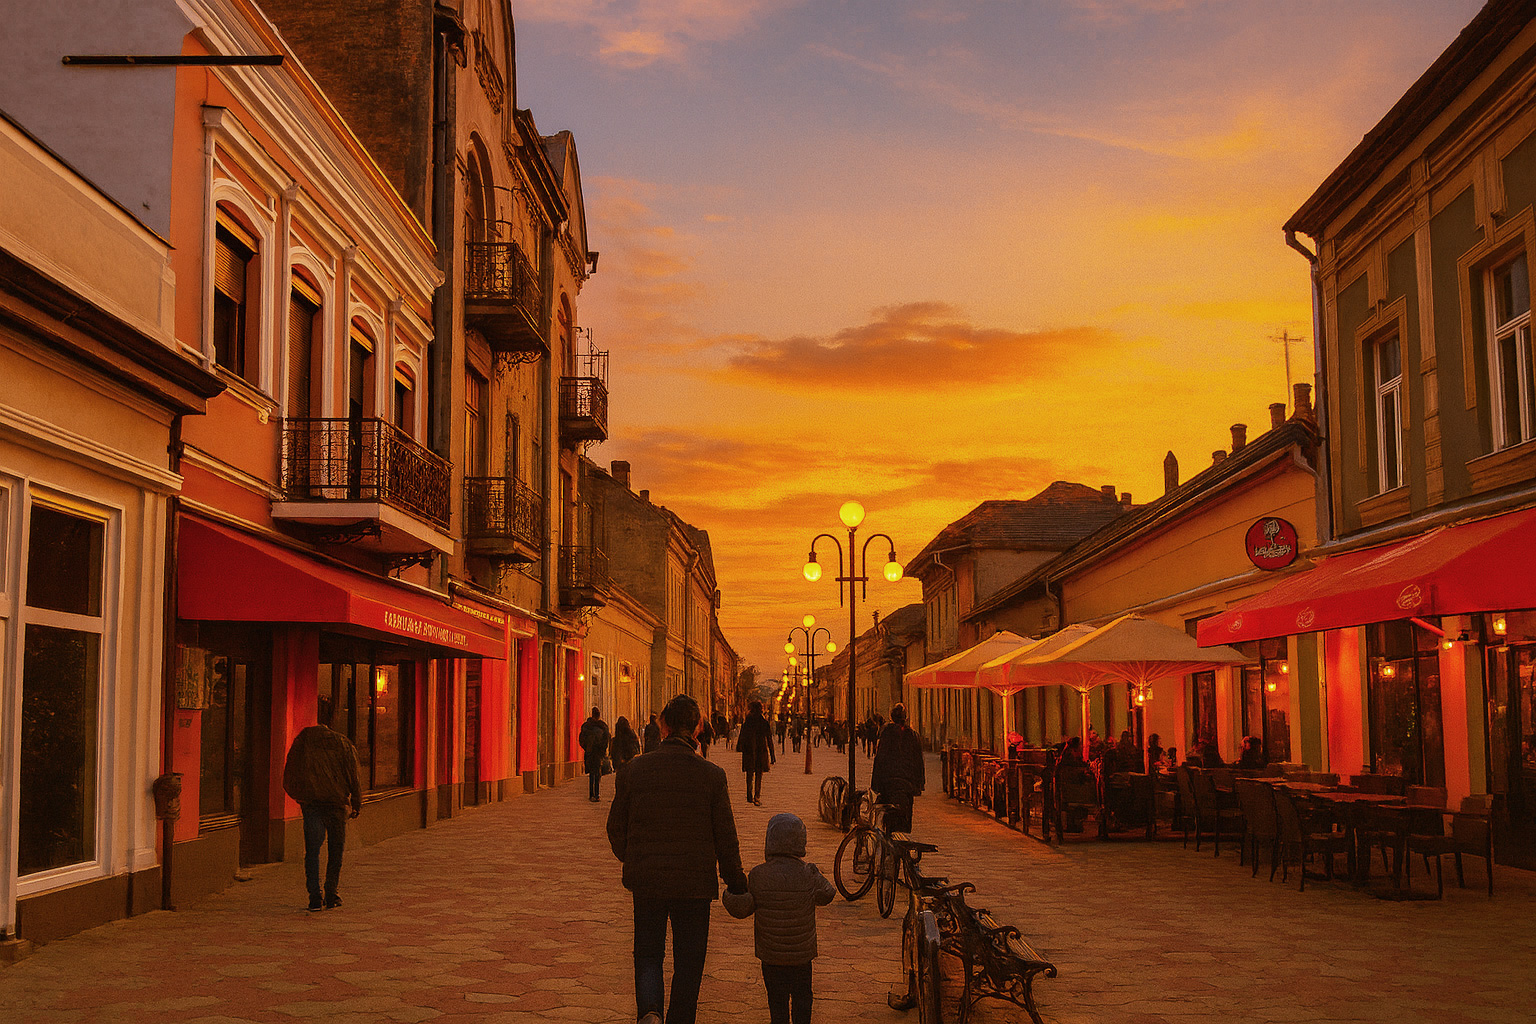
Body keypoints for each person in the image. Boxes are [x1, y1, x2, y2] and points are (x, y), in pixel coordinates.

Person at [608, 693, 746, 1024]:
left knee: (648, 954)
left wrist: (634, 857)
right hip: (694, 884)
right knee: (690, 959)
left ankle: (650, 1013)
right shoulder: (711, 775)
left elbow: (616, 827)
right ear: (697, 728)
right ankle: (680, 1018)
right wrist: (737, 882)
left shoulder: (634, 771)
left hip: (648, 880)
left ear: (664, 726)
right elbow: (725, 836)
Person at [723, 813, 836, 1024]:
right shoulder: (807, 873)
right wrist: (815, 879)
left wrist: (728, 895)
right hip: (802, 956)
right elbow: (828, 894)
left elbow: (743, 908)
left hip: (772, 956)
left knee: (777, 1001)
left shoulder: (758, 875)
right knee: (803, 998)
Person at [281, 720, 362, 912]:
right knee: (335, 851)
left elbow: (289, 774)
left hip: (312, 805)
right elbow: (353, 775)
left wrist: (301, 797)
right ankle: (331, 893)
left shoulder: (302, 742)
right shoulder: (342, 743)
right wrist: (356, 802)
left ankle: (314, 896)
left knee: (312, 852)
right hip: (336, 804)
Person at [870, 703, 925, 832]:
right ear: (905, 718)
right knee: (905, 816)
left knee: (890, 817)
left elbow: (880, 759)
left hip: (889, 783)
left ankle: (891, 843)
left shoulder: (887, 734)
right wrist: (919, 784)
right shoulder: (912, 735)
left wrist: (876, 784)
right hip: (907, 784)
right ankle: (902, 844)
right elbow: (918, 761)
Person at [737, 700, 776, 806]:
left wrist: (740, 747)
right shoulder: (764, 723)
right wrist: (772, 756)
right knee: (759, 774)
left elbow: (742, 737)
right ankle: (757, 796)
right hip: (761, 751)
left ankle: (749, 795)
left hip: (749, 751)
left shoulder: (747, 723)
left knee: (749, 774)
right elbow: (769, 739)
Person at [580, 707, 611, 802]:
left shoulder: (586, 726)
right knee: (597, 773)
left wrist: (587, 748)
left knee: (591, 773)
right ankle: (596, 794)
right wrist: (603, 749)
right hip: (598, 753)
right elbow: (607, 740)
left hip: (589, 753)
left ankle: (591, 794)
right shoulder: (603, 726)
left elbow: (581, 740)